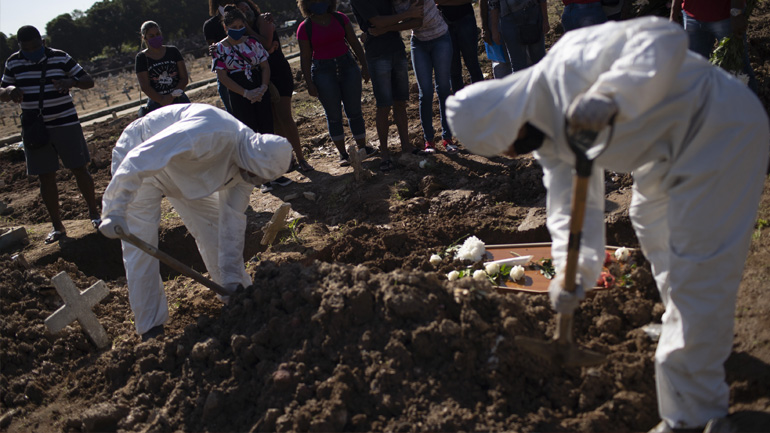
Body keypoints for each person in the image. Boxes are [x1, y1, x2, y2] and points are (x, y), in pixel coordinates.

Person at [446, 17, 769, 432]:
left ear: (510, 114)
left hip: (717, 129)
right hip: (665, 150)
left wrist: (611, 93)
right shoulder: (540, 134)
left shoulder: (570, 63)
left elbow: (665, 37)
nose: (514, 152)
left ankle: (693, 415)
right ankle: (692, 336)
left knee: (698, 271)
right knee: (651, 224)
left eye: (509, 144)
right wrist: (571, 271)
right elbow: (568, 206)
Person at [99, 103, 292, 341]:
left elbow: (231, 221)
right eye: (250, 174)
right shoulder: (208, 131)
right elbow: (141, 158)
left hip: (187, 172)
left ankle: (239, 299)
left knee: (213, 228)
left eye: (257, 179)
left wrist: (231, 277)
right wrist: (114, 208)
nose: (250, 180)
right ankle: (151, 329)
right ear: (247, 159)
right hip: (141, 155)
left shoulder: (250, 167)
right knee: (140, 245)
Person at [0, 25, 100, 244]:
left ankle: (95, 214)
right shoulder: (13, 62)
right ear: (20, 47)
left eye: (36, 46)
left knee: (79, 168)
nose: (32, 51)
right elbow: (2, 90)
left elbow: (88, 80)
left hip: (65, 122)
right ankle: (57, 226)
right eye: (27, 48)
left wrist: (70, 82)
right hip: (36, 127)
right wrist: (9, 91)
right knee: (46, 176)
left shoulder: (60, 57)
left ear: (42, 42)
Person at [212, 6, 292, 191]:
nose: (238, 28)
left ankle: (273, 173)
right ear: (226, 27)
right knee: (249, 134)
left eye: (241, 25)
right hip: (239, 93)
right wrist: (245, 93)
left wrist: (263, 87)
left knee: (266, 129)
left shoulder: (253, 43)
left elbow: (264, 66)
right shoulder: (219, 49)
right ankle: (260, 178)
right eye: (233, 25)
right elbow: (223, 77)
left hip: (258, 87)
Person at [297, 0, 378, 167]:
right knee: (333, 115)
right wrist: (309, 83)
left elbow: (354, 42)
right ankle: (342, 154)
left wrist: (364, 65)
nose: (319, 3)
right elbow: (305, 57)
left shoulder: (341, 18)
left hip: (348, 67)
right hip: (322, 72)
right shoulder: (305, 28)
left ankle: (363, 147)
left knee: (354, 110)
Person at [238, 1, 314, 172]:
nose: (245, 12)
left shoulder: (262, 21)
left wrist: (247, 29)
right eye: (240, 11)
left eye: (246, 8)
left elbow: (266, 44)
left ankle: (301, 159)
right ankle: (288, 159)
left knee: (285, 116)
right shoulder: (237, 30)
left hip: (278, 73)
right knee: (274, 120)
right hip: (260, 77)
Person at [350, 0, 424, 171]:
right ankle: (384, 153)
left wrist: (390, 24)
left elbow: (388, 22)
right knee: (384, 105)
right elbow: (378, 21)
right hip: (377, 54)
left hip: (396, 49)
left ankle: (406, 146)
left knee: (400, 102)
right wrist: (406, 15)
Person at [388, 0, 459, 154]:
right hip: (418, 42)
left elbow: (417, 17)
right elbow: (396, 18)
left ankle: (447, 138)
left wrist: (391, 24)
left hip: (440, 37)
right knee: (425, 92)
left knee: (444, 88)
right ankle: (429, 141)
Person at [669, 0, 757, 93]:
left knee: (740, 70)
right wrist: (673, 14)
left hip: (725, 17)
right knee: (696, 70)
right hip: (692, 16)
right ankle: (704, 104)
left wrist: (736, 13)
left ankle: (750, 104)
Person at [135, 21, 190, 116]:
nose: (156, 37)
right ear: (144, 38)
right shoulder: (141, 58)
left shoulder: (173, 51)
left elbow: (184, 78)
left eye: (158, 34)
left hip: (179, 99)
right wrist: (162, 100)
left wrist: (172, 96)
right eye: (151, 36)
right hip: (156, 104)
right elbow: (145, 86)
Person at [435, 0, 485, 93]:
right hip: (445, 22)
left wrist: (443, 2)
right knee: (454, 70)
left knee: (472, 64)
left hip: (465, 18)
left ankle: (480, 101)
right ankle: (461, 104)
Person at [488, 0, 550, 73]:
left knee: (539, 60)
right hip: (509, 19)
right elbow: (493, 4)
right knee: (518, 65)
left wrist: (545, 19)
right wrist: (494, 29)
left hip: (533, 14)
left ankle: (544, 82)